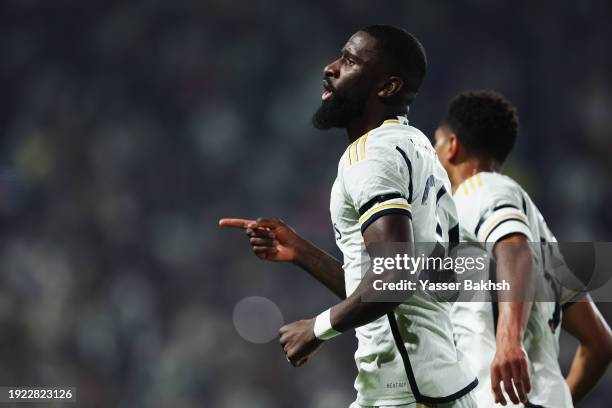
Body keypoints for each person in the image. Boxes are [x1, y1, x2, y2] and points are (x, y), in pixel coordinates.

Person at [220, 25, 477, 407]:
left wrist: (317, 328)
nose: (331, 67)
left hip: (407, 392)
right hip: (432, 385)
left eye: (350, 61)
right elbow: (405, 288)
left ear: (387, 87)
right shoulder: (416, 147)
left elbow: (395, 278)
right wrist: (302, 252)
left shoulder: (371, 156)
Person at [433, 90, 612, 406]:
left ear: (452, 146)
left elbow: (514, 248)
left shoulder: (479, 188)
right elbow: (600, 343)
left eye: (436, 142)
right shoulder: (541, 236)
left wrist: (509, 341)